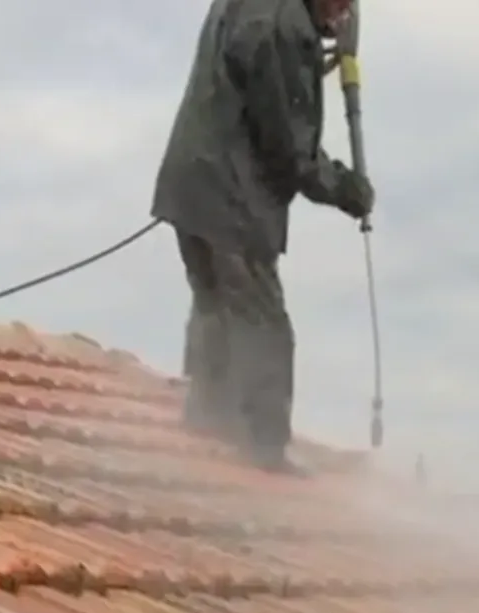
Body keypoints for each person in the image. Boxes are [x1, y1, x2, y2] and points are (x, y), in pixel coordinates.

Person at [152, 0, 375, 475]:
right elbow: (291, 152)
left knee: (214, 302)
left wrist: (316, 54)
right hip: (233, 200)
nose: (344, 16)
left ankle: (208, 419)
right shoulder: (285, 30)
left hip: (189, 186)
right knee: (262, 322)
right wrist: (346, 189)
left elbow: (257, 83)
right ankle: (264, 449)